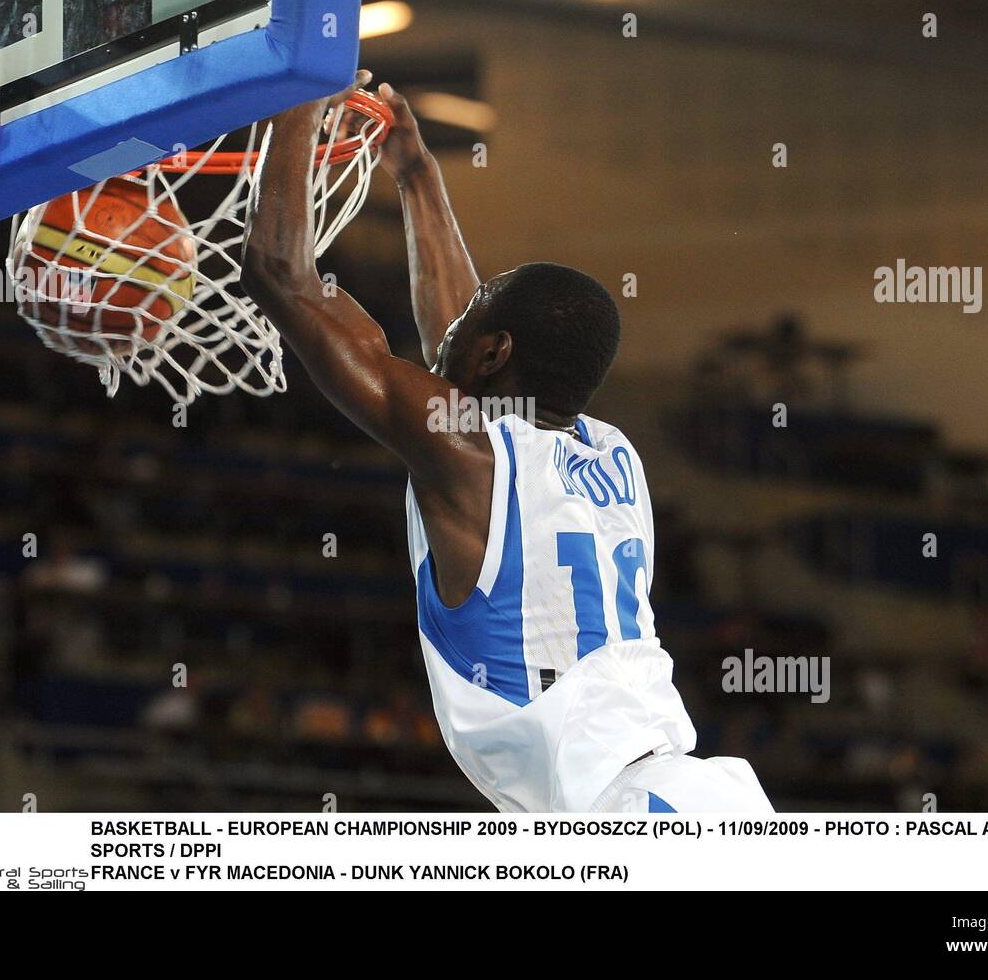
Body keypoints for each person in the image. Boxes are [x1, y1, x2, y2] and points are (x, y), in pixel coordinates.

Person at [241, 72, 772, 813]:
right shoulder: (613, 452)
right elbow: (464, 343)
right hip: (692, 794)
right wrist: (418, 177)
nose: (449, 329)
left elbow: (278, 274)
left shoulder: (470, 455)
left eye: (471, 327)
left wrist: (296, 93)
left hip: (624, 811)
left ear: (491, 355)